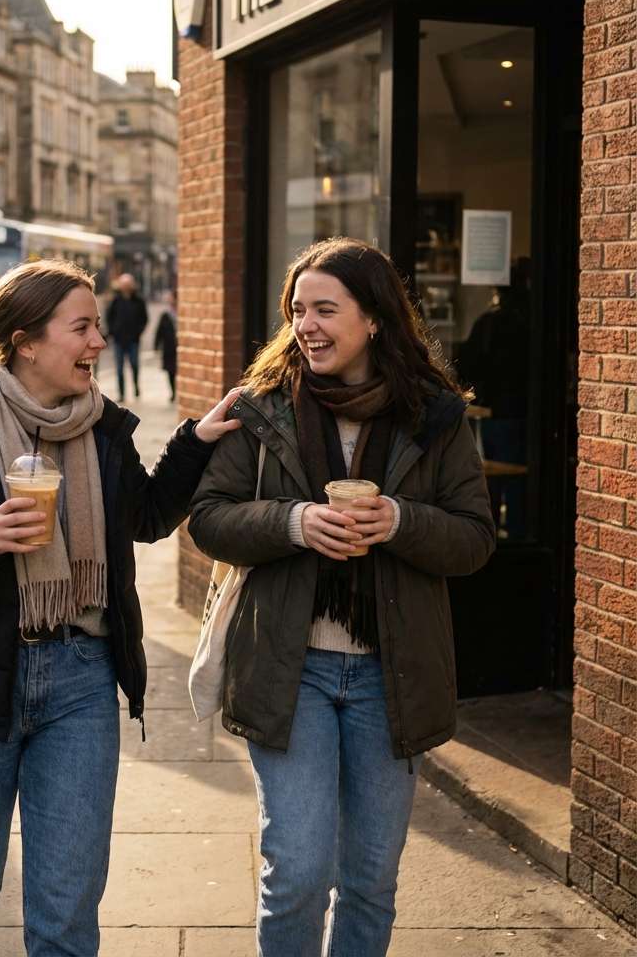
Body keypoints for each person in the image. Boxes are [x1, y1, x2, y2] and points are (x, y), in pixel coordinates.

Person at [0, 259, 240, 957]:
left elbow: (149, 515)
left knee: (67, 914)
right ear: (26, 342)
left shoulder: (100, 432)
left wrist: (196, 442)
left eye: (99, 326)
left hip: (79, 680)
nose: (98, 342)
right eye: (82, 327)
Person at [189, 237, 495, 957]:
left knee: (368, 879)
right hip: (288, 669)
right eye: (297, 310)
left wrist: (399, 520)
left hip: (393, 675)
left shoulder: (437, 418)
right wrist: (293, 522)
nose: (307, 325)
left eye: (325, 309)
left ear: (375, 320)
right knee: (296, 872)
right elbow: (208, 518)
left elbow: (476, 537)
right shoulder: (263, 409)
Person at [459, 258, 532, 539]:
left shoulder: (493, 321)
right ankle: (513, 533)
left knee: (494, 480)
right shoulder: (535, 320)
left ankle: (492, 537)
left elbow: (468, 363)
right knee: (511, 482)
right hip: (516, 409)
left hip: (497, 410)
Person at [106, 272, 147, 399]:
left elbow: (144, 318)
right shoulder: (115, 300)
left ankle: (136, 387)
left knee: (134, 365)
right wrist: (113, 331)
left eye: (128, 284)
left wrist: (138, 332)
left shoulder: (139, 301)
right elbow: (109, 317)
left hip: (133, 340)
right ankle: (122, 393)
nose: (126, 287)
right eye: (124, 284)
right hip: (119, 340)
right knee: (119, 368)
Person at [153, 291, 177, 401]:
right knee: (170, 371)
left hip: (178, 347)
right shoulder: (166, 314)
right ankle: (173, 392)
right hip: (169, 347)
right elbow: (160, 331)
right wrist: (156, 345)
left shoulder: (182, 312)